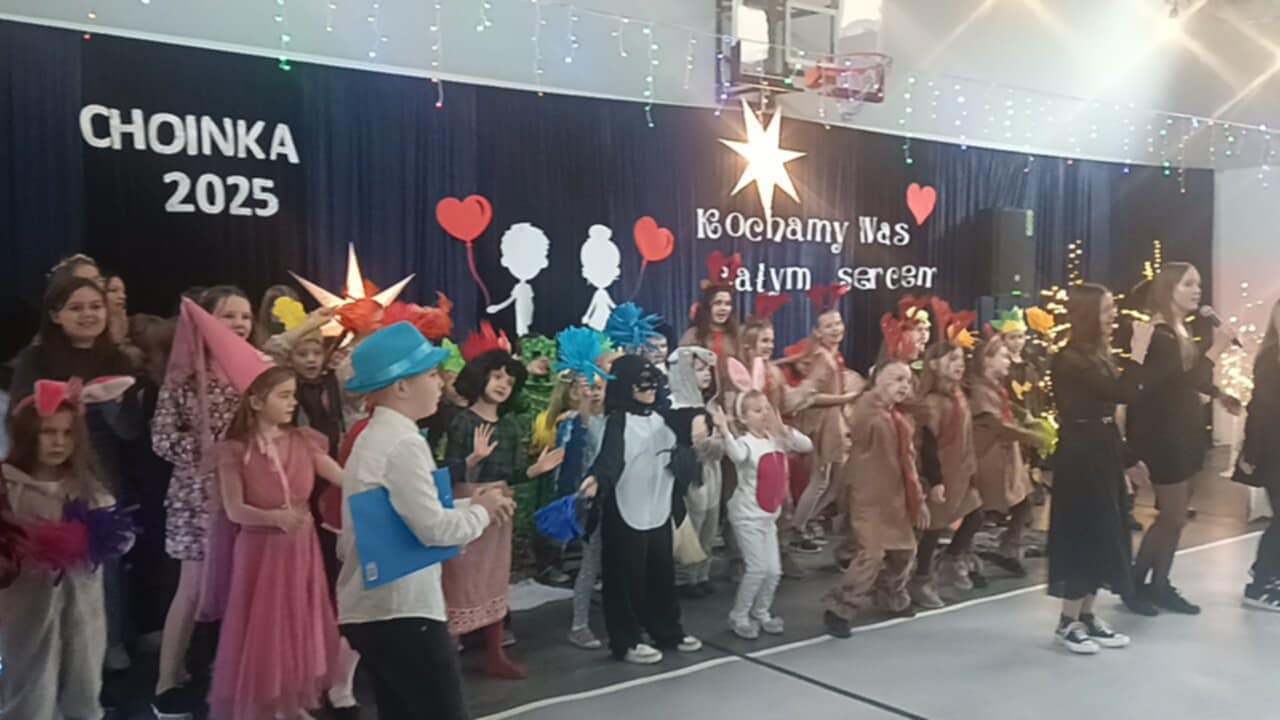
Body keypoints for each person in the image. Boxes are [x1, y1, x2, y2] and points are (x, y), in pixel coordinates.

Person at [336, 322, 516, 720]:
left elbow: (408, 515)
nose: (440, 383)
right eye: (432, 375)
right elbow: (433, 530)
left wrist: (472, 505)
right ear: (402, 385)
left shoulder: (375, 436)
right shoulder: (402, 442)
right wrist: (483, 511)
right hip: (403, 610)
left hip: (377, 609)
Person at [8, 275, 141, 671]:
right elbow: (20, 421)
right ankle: (40, 653)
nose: (88, 315)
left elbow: (131, 430)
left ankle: (104, 645)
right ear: (55, 315)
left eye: (95, 307)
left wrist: (107, 402)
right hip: (42, 477)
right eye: (76, 308)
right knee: (40, 567)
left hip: (98, 476)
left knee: (101, 568)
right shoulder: (35, 359)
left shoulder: (119, 360)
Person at [209, 366, 346, 720]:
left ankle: (292, 700)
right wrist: (274, 518)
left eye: (293, 395)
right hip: (261, 551)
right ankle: (269, 703)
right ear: (256, 402)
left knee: (299, 620)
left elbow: (344, 478)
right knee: (265, 626)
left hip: (300, 548)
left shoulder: (303, 440)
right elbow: (235, 509)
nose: (292, 402)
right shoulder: (234, 451)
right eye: (284, 396)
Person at [150, 286, 258, 716]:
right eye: (229, 315)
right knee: (193, 589)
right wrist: (211, 454)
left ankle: (230, 675)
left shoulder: (257, 370)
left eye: (246, 316)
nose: (239, 324)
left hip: (246, 495)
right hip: (196, 496)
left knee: (241, 588)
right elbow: (161, 438)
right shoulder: (184, 375)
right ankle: (166, 680)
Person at [1, 377, 135, 719]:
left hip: (83, 607)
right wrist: (27, 541)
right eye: (48, 432)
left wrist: (98, 536)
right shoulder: (8, 486)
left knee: (82, 680)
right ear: (28, 434)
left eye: (67, 433)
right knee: (29, 685)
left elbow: (121, 538)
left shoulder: (85, 486)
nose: (59, 442)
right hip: (24, 608)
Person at [1124, 262, 1240, 616]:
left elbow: (1190, 378)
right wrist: (1216, 350)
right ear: (1167, 289)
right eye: (1188, 284)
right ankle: (1135, 584)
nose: (1197, 290)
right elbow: (1171, 383)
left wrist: (1218, 393)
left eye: (1198, 284)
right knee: (1172, 516)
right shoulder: (1159, 335)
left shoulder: (1180, 330)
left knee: (1176, 517)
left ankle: (1160, 583)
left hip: (1184, 431)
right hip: (1163, 436)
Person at [443, 346, 564, 678]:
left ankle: (495, 652)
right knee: (460, 578)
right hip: (468, 504)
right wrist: (473, 460)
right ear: (480, 378)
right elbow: (448, 472)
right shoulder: (463, 422)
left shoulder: (509, 427)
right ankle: (449, 653)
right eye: (496, 377)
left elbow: (510, 473)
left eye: (509, 381)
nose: (502, 385)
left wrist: (534, 470)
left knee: (494, 577)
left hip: (501, 506)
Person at [580, 355, 703, 664]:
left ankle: (667, 630)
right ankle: (626, 640)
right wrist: (597, 479)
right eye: (641, 383)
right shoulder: (618, 421)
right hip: (625, 508)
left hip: (659, 507)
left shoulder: (663, 417)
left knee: (661, 574)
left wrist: (704, 421)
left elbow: (690, 422)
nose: (649, 389)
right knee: (625, 577)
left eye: (652, 382)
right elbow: (610, 458)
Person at [1048, 283, 1149, 654]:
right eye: (1106, 310)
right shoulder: (1070, 359)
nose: (1113, 317)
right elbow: (1122, 394)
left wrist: (1127, 458)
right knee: (1084, 530)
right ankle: (1067, 620)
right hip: (1080, 456)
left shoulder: (1098, 356)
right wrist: (1138, 353)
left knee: (1107, 530)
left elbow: (1108, 415)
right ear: (1088, 314)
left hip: (1102, 450)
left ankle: (1087, 614)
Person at [823, 360, 926, 638]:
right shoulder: (866, 408)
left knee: (905, 551)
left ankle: (890, 595)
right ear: (876, 379)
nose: (903, 385)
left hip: (894, 497)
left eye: (907, 380)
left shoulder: (899, 417)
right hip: (867, 495)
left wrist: (917, 497)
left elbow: (909, 462)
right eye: (896, 379)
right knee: (871, 554)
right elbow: (857, 427)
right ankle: (839, 608)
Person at [720, 366, 813, 639]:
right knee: (757, 569)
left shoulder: (777, 440)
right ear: (744, 417)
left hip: (768, 517)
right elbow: (737, 456)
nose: (763, 414)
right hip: (747, 516)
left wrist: (784, 429)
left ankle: (761, 612)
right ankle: (739, 615)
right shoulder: (746, 442)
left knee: (774, 571)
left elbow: (806, 446)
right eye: (756, 411)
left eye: (766, 409)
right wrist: (725, 430)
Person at [783, 287, 861, 552]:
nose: (835, 329)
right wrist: (847, 398)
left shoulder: (830, 355)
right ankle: (796, 528)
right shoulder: (823, 358)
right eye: (828, 326)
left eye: (837, 323)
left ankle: (801, 524)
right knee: (821, 481)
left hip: (832, 422)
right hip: (823, 423)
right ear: (818, 331)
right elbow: (811, 395)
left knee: (829, 482)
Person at [911, 339, 982, 608]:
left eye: (961, 359)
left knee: (976, 513)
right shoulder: (931, 403)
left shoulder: (958, 394)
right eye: (952, 360)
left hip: (961, 470)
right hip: (941, 473)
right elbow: (927, 445)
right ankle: (920, 578)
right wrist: (935, 480)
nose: (959, 365)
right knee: (934, 528)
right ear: (933, 365)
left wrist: (971, 466)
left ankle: (951, 559)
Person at [968, 335, 1044, 578]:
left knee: (1023, 502)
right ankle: (962, 556)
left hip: (1005, 456)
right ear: (986, 360)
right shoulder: (978, 390)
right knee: (978, 510)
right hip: (987, 457)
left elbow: (1006, 410)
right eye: (1002, 356)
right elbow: (996, 425)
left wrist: (1026, 419)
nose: (1008, 360)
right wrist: (1033, 437)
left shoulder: (995, 387)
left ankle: (1009, 547)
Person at [1234, 297, 1280, 612]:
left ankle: (1267, 573)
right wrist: (1251, 450)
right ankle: (1261, 582)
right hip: (1273, 449)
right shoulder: (1270, 359)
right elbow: (1261, 409)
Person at [666, 345, 724, 598]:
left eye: (708, 369)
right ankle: (685, 577)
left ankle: (702, 574)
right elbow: (701, 447)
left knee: (710, 520)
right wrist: (719, 433)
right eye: (699, 370)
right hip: (692, 472)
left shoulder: (706, 405)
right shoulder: (677, 408)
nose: (707, 374)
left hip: (710, 470)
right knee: (694, 520)